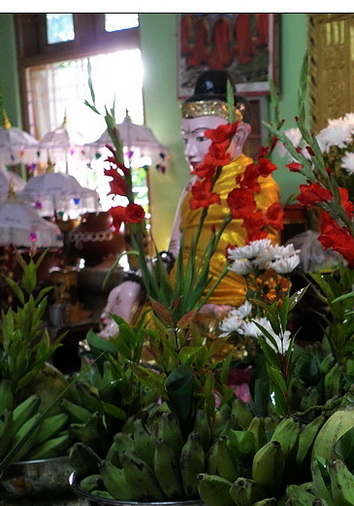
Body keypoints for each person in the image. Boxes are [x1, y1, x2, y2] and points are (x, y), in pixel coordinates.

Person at [100, 70, 281, 337]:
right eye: (185, 139)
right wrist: (136, 281)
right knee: (120, 328)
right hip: (183, 304)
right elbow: (174, 251)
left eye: (201, 138)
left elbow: (264, 259)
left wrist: (213, 306)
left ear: (239, 136)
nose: (189, 151)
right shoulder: (192, 186)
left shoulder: (257, 183)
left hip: (234, 310)